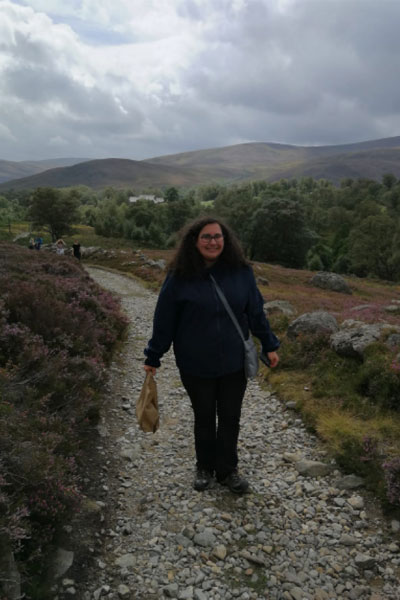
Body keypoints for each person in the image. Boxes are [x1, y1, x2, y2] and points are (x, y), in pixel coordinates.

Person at [144, 217, 280, 494]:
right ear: (194, 241)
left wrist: (269, 343)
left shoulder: (241, 272)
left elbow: (255, 312)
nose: (213, 242)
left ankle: (227, 470)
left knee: (230, 416)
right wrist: (153, 355)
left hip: (233, 361)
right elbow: (164, 319)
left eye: (218, 236)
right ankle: (204, 467)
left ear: (225, 240)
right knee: (204, 416)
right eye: (206, 237)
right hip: (195, 362)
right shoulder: (179, 276)